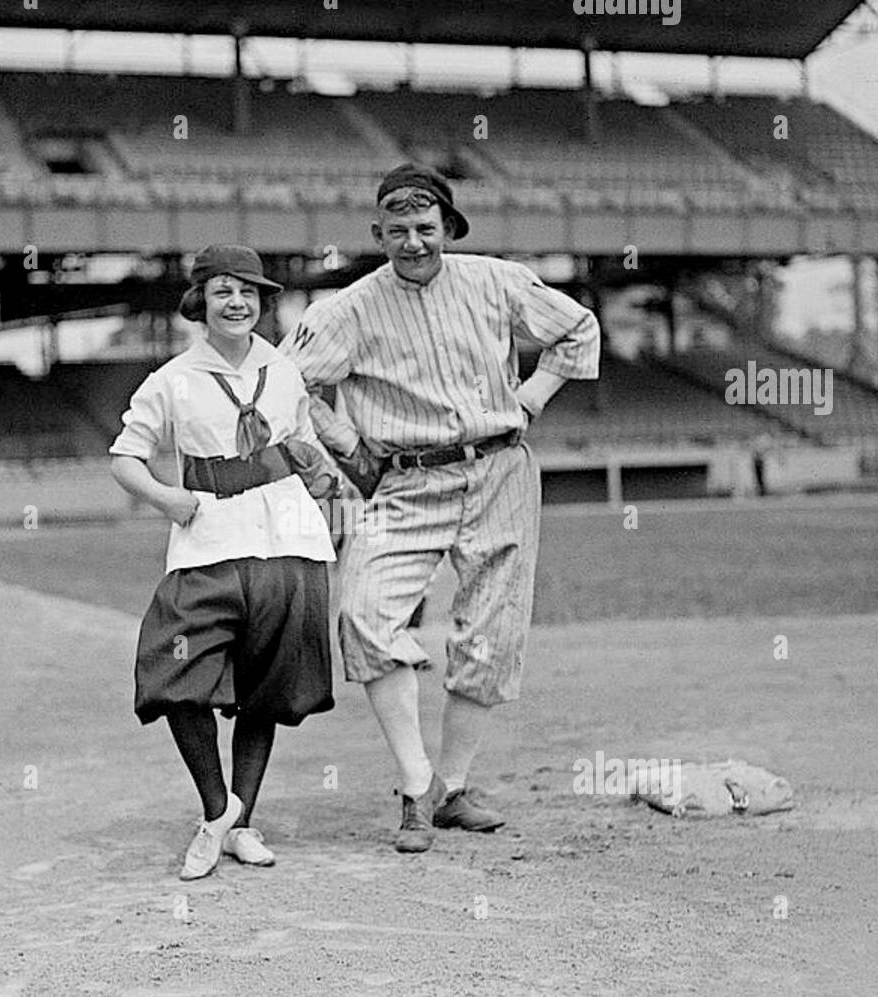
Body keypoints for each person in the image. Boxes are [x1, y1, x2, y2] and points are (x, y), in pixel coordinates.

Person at [280, 163, 601, 853]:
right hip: (405, 480)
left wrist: (534, 397)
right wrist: (346, 446)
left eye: (426, 228)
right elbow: (285, 386)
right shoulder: (348, 308)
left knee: (491, 632)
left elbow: (578, 329)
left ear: (447, 229)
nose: (413, 242)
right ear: (378, 233)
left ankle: (453, 787)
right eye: (397, 231)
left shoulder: (496, 280)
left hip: (498, 469)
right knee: (365, 616)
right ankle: (415, 783)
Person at [110, 245, 338, 881]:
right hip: (210, 539)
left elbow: (301, 443)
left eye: (248, 293)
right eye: (222, 293)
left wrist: (321, 475)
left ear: (263, 303)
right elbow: (125, 457)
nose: (237, 304)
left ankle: (241, 826)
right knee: (171, 670)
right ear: (201, 304)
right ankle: (217, 811)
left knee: (265, 686)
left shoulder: (286, 371)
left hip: (289, 540)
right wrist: (168, 499)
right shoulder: (172, 379)